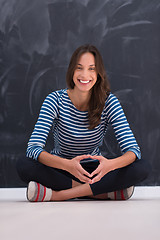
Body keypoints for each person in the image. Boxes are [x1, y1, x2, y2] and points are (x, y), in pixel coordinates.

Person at [17, 44, 150, 202]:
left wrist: (110, 165)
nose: (84, 74)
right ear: (71, 70)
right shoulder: (54, 100)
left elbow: (133, 151)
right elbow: (33, 148)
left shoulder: (109, 102)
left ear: (99, 73)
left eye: (91, 68)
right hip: (61, 168)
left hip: (95, 170)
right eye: (79, 68)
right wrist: (67, 165)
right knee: (24, 164)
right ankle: (103, 193)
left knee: (142, 167)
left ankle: (59, 195)